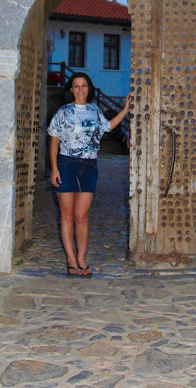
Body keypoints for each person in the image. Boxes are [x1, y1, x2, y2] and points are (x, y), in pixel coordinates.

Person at [48, 72, 131, 277]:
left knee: (81, 216)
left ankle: (82, 259)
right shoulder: (63, 112)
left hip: (89, 166)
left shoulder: (95, 110)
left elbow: (108, 126)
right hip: (66, 164)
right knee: (67, 216)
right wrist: (54, 168)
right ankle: (71, 259)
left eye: (84, 85)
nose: (80, 89)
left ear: (89, 88)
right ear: (71, 90)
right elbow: (54, 141)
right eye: (76, 86)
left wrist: (126, 109)